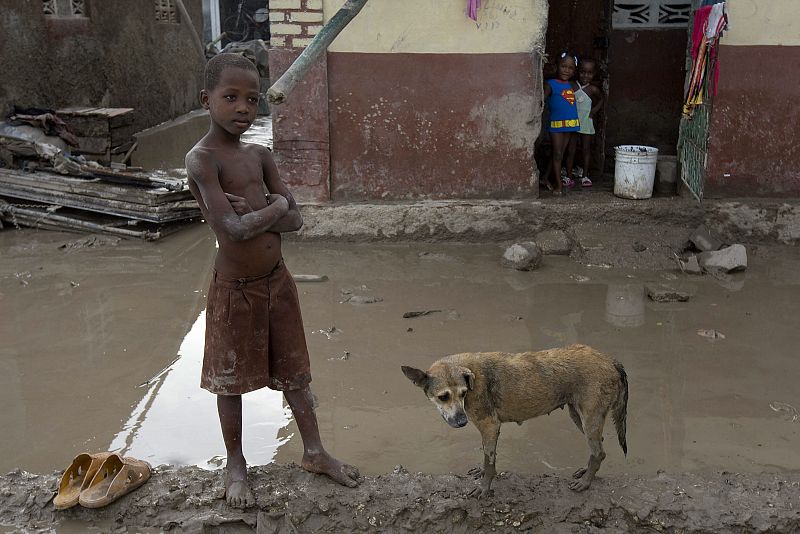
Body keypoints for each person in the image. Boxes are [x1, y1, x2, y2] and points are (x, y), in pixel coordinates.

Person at [185, 53, 360, 508]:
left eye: (252, 99)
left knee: (295, 374)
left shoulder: (259, 155)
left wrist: (270, 211)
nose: (243, 107)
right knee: (231, 382)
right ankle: (236, 464)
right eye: (231, 97)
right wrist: (276, 209)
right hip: (235, 290)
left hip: (277, 283)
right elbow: (234, 230)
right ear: (206, 100)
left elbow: (296, 221)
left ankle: (315, 452)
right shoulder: (202, 160)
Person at [542, 52, 580, 195]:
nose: (566, 70)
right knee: (558, 154)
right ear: (557, 66)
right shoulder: (550, 84)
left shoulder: (572, 85)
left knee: (560, 153)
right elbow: (543, 99)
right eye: (563, 66)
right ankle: (559, 186)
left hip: (570, 124)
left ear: (574, 70)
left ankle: (545, 178)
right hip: (557, 125)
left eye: (570, 68)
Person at [566, 58, 605, 187]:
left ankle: (585, 176)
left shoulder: (593, 89)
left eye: (589, 73)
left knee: (586, 149)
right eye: (583, 72)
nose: (585, 75)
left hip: (586, 121)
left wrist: (594, 110)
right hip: (572, 122)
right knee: (570, 149)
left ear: (594, 74)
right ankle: (568, 175)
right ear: (578, 71)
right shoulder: (571, 85)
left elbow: (601, 100)